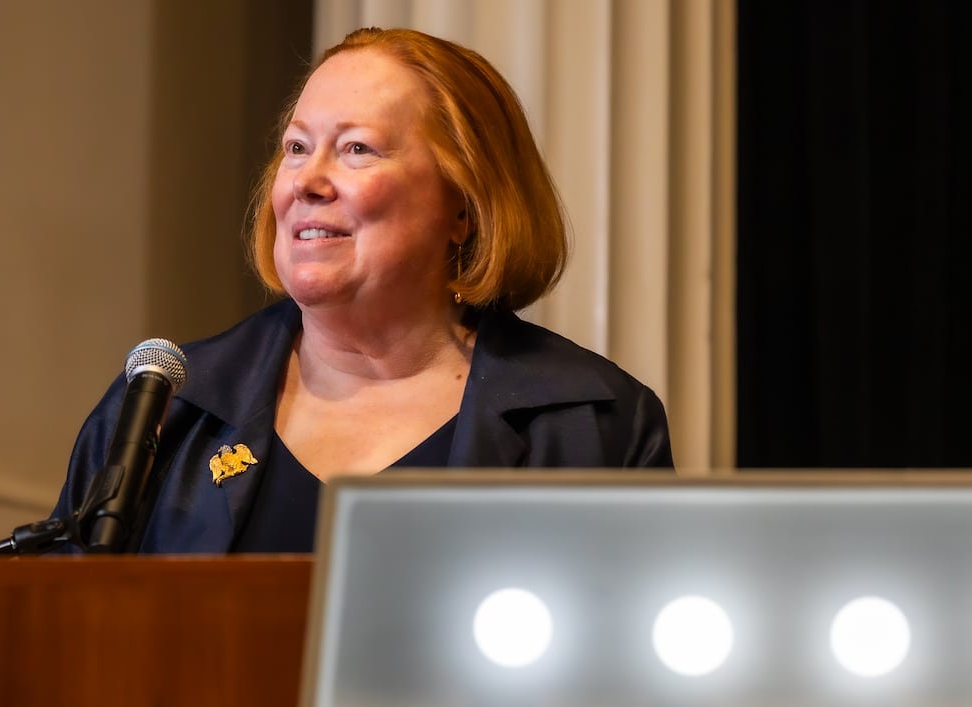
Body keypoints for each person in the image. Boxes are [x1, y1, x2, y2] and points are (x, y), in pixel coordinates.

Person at [49, 27, 672, 554]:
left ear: (463, 205)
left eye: (356, 149)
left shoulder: (592, 424)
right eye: (296, 147)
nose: (307, 181)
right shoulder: (168, 408)